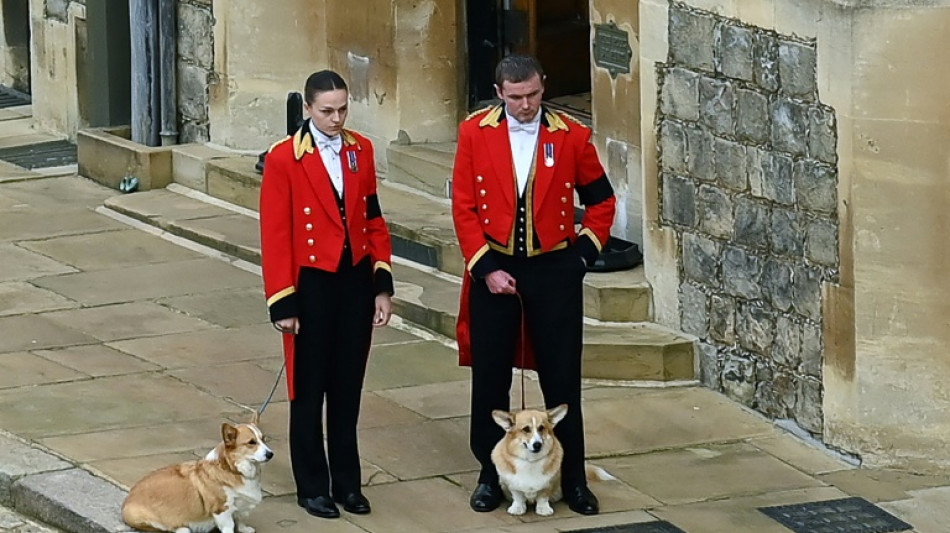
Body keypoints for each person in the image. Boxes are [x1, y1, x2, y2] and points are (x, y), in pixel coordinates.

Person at [452, 54, 616, 516]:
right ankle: (490, 476)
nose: (526, 106)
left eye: (534, 95)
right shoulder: (474, 132)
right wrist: (484, 267)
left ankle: (574, 480)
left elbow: (602, 200)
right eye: (516, 97)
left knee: (563, 381)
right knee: (491, 381)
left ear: (543, 86)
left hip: (552, 273)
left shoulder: (571, 135)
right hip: (494, 269)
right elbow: (464, 207)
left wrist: (582, 255)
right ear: (500, 92)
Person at [259, 70, 394, 520]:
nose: (337, 119)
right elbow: (275, 234)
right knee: (308, 390)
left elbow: (373, 218)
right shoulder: (284, 158)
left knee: (347, 389)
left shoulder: (362, 150)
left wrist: (381, 285)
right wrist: (283, 302)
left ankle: (348, 484)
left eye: (342, 109)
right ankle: (312, 486)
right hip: (310, 284)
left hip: (354, 281)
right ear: (308, 109)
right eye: (327, 111)